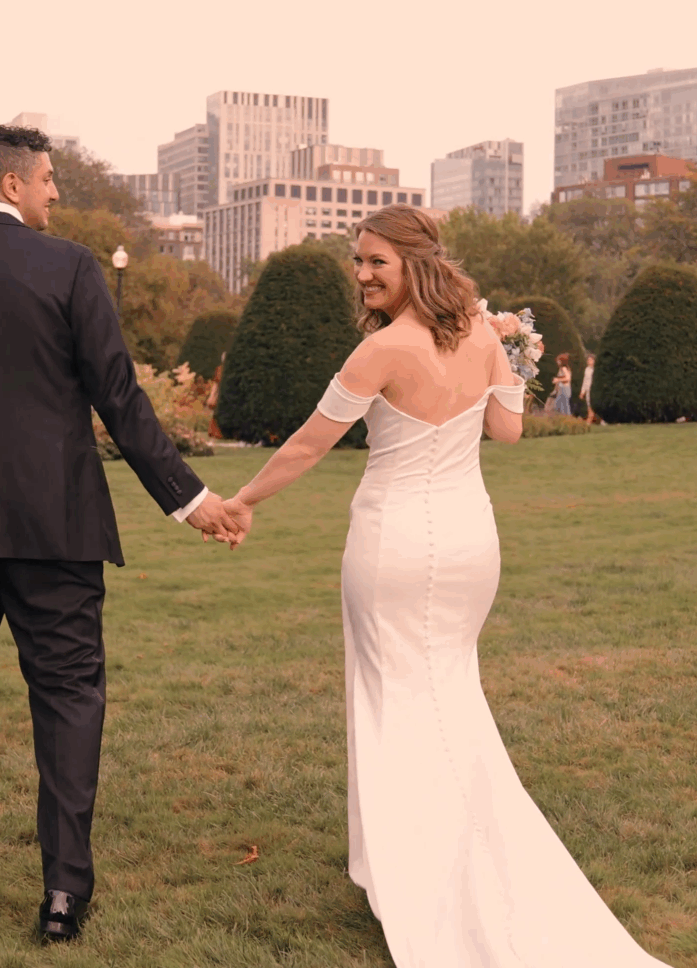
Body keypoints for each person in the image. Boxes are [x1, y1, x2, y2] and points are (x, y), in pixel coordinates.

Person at [222, 205, 671, 966]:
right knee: (447, 696)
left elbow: (306, 445)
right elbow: (507, 431)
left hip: (396, 542)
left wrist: (241, 503)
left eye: (376, 263)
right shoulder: (485, 343)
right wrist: (506, 355)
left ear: (414, 266)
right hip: (468, 543)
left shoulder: (382, 352)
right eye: (357, 261)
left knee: (397, 699)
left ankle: (424, 874)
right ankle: (437, 854)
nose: (362, 275)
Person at [0, 124, 239, 944]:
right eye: (51, 180)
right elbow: (120, 400)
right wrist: (188, 498)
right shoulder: (68, 269)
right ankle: (64, 893)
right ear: (17, 184)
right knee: (66, 699)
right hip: (54, 526)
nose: (58, 193)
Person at [581, 352, 596, 423]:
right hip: (588, 391)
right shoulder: (587, 370)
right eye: (588, 360)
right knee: (589, 407)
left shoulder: (596, 370)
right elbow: (585, 382)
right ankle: (589, 421)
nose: (589, 362)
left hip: (595, 391)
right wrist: (582, 392)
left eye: (590, 360)